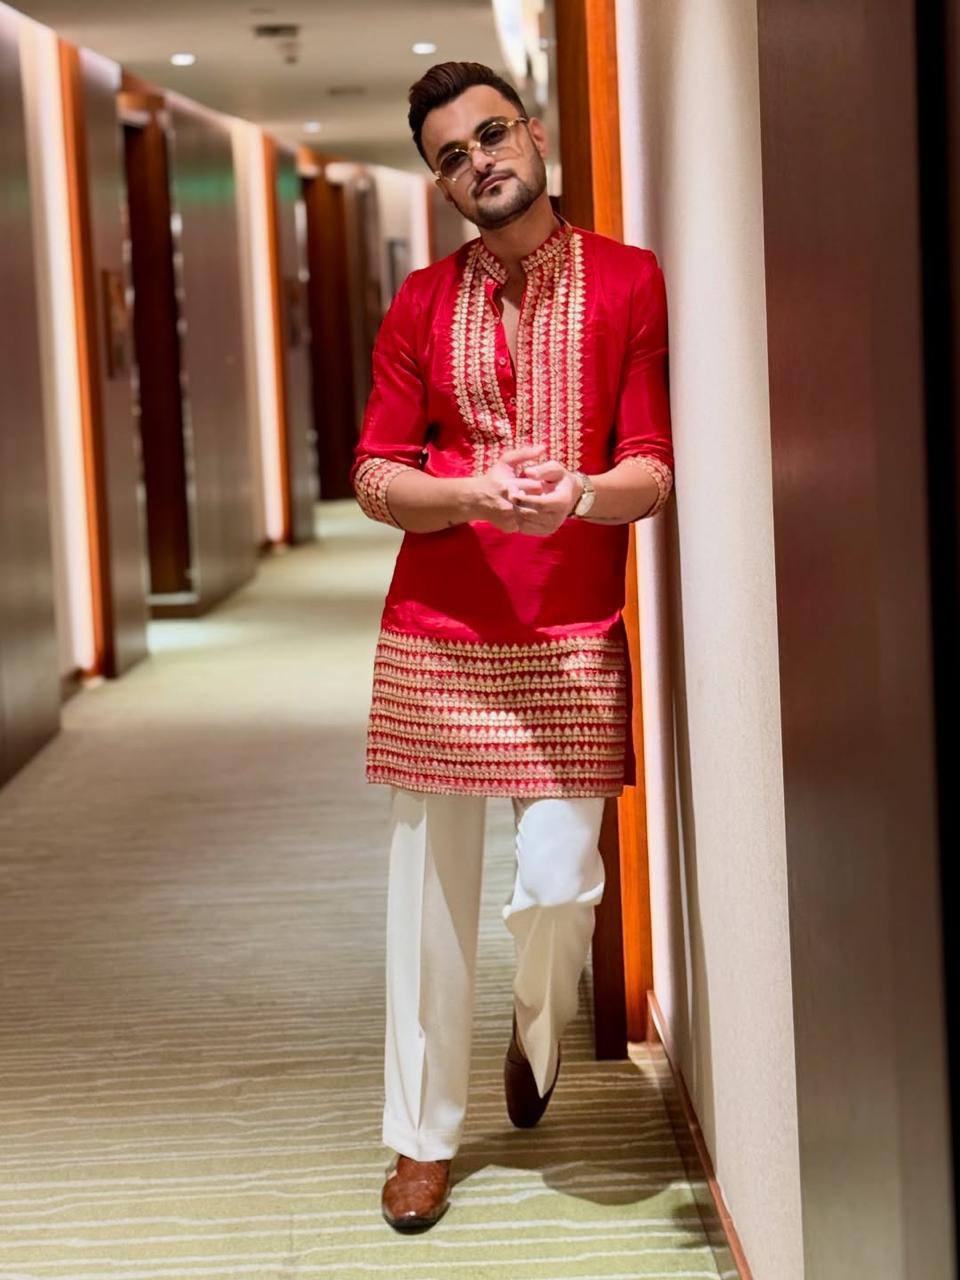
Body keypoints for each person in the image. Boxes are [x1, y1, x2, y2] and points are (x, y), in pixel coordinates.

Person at [350, 61, 673, 1232]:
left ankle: (533, 1028)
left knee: (557, 883)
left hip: (573, 627)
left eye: (490, 133)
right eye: (449, 153)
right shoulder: (420, 307)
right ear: (438, 183)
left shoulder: (631, 282)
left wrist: (578, 493)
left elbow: (652, 468)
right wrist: (473, 492)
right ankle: (419, 1138)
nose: (477, 158)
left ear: (530, 133)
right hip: (439, 630)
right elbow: (378, 473)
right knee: (424, 902)